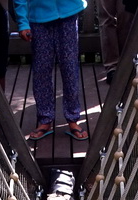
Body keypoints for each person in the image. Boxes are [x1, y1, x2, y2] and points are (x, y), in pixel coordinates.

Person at [13, 0, 89, 141]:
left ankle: (73, 119)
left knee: (70, 68)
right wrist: (23, 22)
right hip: (39, 19)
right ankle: (45, 119)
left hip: (68, 14)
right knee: (41, 71)